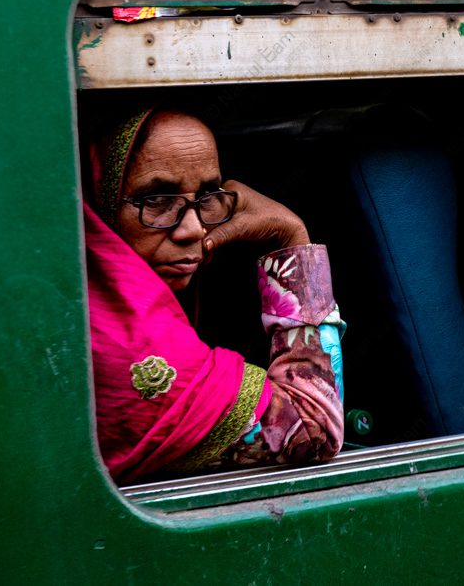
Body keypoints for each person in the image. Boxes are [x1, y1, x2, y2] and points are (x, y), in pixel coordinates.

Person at [83, 107, 344, 484]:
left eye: (207, 196)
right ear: (99, 204)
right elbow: (313, 430)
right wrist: (292, 237)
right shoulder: (129, 347)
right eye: (156, 199)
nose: (193, 228)